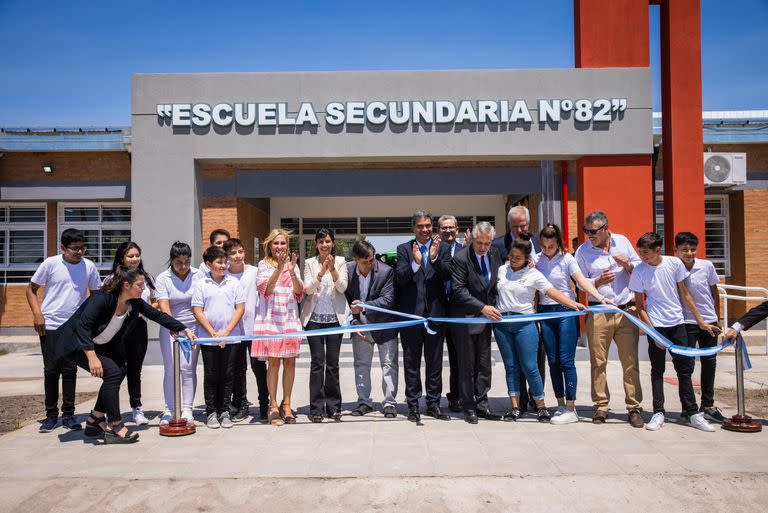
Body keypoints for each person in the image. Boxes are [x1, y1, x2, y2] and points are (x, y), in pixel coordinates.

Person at [55, 266, 194, 444]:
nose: (144, 289)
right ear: (126, 285)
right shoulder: (102, 298)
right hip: (76, 345)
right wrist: (91, 357)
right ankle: (115, 424)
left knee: (119, 371)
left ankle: (95, 420)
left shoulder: (134, 302)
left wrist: (182, 328)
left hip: (100, 344)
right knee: (113, 373)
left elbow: (156, 315)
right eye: (140, 285)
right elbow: (83, 326)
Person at [629, 232, 720, 432]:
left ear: (657, 250)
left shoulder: (674, 264)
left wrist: (702, 322)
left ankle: (691, 412)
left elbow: (685, 294)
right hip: (656, 325)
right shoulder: (639, 271)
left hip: (678, 324)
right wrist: (653, 333)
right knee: (657, 370)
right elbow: (639, 306)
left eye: (645, 252)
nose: (641, 256)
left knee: (684, 369)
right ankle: (658, 412)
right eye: (640, 252)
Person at [494, 232, 585, 422]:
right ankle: (515, 407)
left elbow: (551, 292)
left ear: (527, 259)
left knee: (530, 366)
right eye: (511, 256)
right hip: (503, 325)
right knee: (511, 367)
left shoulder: (534, 274)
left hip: (525, 324)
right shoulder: (502, 270)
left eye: (518, 258)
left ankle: (541, 406)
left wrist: (572, 304)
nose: (513, 260)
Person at [26, 228, 102, 433]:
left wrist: (90, 321)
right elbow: (31, 289)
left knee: (70, 371)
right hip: (50, 324)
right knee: (51, 370)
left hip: (75, 327)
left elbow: (96, 295)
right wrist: (37, 314)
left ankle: (69, 415)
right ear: (63, 248)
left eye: (82, 248)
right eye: (74, 249)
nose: (79, 252)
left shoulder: (89, 266)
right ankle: (51, 415)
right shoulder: (51, 264)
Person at [536, 224, 611, 425]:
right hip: (545, 312)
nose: (546, 250)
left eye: (551, 246)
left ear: (558, 243)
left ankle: (571, 407)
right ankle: (560, 404)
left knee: (566, 360)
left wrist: (600, 297)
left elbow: (582, 282)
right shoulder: (536, 259)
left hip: (567, 312)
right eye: (543, 246)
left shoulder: (568, 259)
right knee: (552, 360)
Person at [575, 210, 644, 427]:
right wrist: (598, 281)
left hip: (625, 310)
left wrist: (627, 265)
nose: (589, 235)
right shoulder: (583, 251)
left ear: (606, 228)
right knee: (598, 361)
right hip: (598, 311)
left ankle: (634, 408)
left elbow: (640, 269)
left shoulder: (623, 242)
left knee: (630, 361)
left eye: (593, 231)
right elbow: (580, 283)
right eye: (586, 231)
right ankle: (601, 406)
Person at [395, 211, 452, 422]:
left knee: (435, 362)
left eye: (428, 225)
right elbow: (399, 279)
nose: (425, 229)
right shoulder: (404, 250)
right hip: (411, 316)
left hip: (436, 315)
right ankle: (412, 405)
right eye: (421, 226)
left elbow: (448, 274)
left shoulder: (443, 248)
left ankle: (434, 404)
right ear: (413, 228)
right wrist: (416, 263)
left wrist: (434, 258)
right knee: (411, 362)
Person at [449, 222, 504, 424]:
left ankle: (482, 404)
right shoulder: (461, 258)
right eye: (479, 242)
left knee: (483, 363)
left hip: (487, 320)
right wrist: (482, 307)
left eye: (486, 243)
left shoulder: (495, 254)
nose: (482, 247)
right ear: (472, 238)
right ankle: (468, 405)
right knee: (467, 364)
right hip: (466, 318)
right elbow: (459, 290)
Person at [491, 204, 543, 411]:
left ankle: (536, 400)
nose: (520, 230)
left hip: (535, 311)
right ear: (509, 225)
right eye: (515, 227)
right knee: (512, 364)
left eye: (523, 226)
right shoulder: (498, 245)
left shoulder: (540, 242)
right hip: (508, 313)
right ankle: (518, 403)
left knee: (534, 363)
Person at [252, 229, 304, 426]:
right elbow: (266, 290)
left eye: (283, 243)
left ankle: (287, 404)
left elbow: (299, 292)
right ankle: (272, 405)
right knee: (273, 363)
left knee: (290, 363)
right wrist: (279, 268)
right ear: (269, 246)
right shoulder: (263, 265)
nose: (280, 247)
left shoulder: (293, 266)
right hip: (271, 321)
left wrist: (290, 271)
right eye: (276, 243)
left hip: (289, 319)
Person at [103, 241, 157, 426]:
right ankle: (110, 411)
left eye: (137, 255)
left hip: (139, 328)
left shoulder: (146, 278)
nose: (134, 259)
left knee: (135, 371)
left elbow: (155, 302)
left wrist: (145, 309)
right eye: (130, 256)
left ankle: (137, 408)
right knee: (116, 372)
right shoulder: (111, 279)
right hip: (118, 330)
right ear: (121, 258)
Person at [192, 246, 245, 429]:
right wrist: (214, 334)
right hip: (208, 338)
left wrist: (226, 332)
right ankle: (211, 412)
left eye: (225, 262)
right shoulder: (201, 284)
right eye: (219, 262)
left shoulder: (234, 283)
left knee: (228, 374)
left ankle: (224, 411)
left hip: (231, 337)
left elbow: (240, 309)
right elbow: (197, 311)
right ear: (208, 264)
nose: (224, 266)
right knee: (211, 374)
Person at [674, 231, 726, 423]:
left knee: (709, 363)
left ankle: (708, 405)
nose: (689, 253)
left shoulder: (707, 266)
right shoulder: (673, 267)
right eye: (684, 249)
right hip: (686, 322)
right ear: (676, 250)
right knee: (685, 366)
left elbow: (715, 292)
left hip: (709, 321)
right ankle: (689, 408)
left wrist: (717, 319)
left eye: (693, 249)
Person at [345, 240, 399, 418]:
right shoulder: (348, 270)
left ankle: (389, 403)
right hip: (360, 326)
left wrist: (364, 306)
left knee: (389, 365)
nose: (369, 265)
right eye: (365, 262)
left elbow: (387, 300)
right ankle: (364, 402)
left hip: (385, 326)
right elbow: (344, 301)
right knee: (361, 365)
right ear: (355, 259)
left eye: (372, 260)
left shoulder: (386, 271)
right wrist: (353, 322)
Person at [301, 228, 349, 423]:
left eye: (328, 241)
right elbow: (308, 289)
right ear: (316, 244)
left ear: (333, 243)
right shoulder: (309, 263)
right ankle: (316, 408)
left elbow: (343, 287)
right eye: (321, 242)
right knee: (317, 364)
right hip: (314, 320)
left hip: (334, 319)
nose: (324, 245)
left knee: (332, 365)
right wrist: (321, 272)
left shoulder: (341, 261)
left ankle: (334, 406)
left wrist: (333, 270)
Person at [155, 241, 202, 425]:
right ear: (171, 261)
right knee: (171, 368)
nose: (183, 267)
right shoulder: (163, 278)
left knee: (187, 368)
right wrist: (174, 327)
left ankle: (187, 408)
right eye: (178, 263)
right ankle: (169, 409)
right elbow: (164, 306)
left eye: (187, 262)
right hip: (170, 328)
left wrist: (189, 330)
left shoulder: (198, 274)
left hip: (193, 328)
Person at [224, 238, 268, 422]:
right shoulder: (224, 276)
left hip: (254, 328)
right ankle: (241, 404)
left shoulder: (254, 272)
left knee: (259, 368)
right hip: (234, 331)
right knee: (237, 370)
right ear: (226, 256)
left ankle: (265, 404)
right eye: (233, 253)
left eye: (240, 252)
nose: (237, 256)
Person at [437, 214, 464, 412]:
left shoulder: (466, 250)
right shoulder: (435, 250)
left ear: (457, 229)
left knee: (458, 357)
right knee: (435, 357)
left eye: (451, 227)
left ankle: (457, 396)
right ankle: (433, 398)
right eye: (444, 228)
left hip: (459, 312)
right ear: (439, 230)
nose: (448, 231)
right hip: (438, 310)